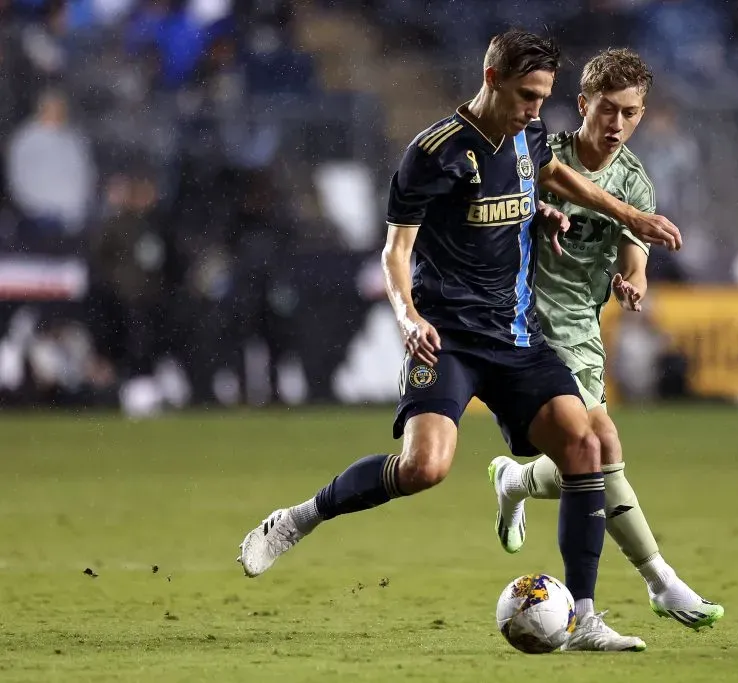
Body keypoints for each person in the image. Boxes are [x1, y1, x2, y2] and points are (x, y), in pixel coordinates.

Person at [236, 29, 682, 652]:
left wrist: (615, 215)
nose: (535, 110)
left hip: (515, 334)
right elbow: (395, 252)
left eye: (543, 97)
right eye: (526, 95)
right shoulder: (433, 153)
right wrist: (407, 318)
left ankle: (584, 618)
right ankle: (300, 518)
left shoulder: (529, 134)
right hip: (446, 337)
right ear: (492, 78)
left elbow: (552, 176)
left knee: (585, 444)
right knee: (425, 468)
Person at [487, 48, 724, 631]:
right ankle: (660, 581)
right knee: (604, 443)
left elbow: (634, 253)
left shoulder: (634, 181)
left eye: (631, 113)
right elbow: (517, 205)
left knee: (589, 457)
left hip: (581, 325)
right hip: (525, 317)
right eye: (608, 109)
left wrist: (633, 283)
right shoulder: (544, 154)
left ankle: (517, 480)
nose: (618, 124)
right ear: (583, 104)